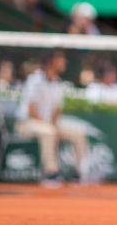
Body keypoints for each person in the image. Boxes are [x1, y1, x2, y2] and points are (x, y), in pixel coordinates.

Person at [15, 51, 91, 187]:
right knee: (48, 131)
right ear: (51, 62)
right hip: (26, 124)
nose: (64, 63)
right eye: (61, 59)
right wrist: (50, 126)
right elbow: (31, 110)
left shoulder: (57, 82)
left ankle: (79, 173)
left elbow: (57, 110)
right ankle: (51, 174)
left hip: (48, 124)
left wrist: (54, 125)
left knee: (78, 132)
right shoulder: (34, 80)